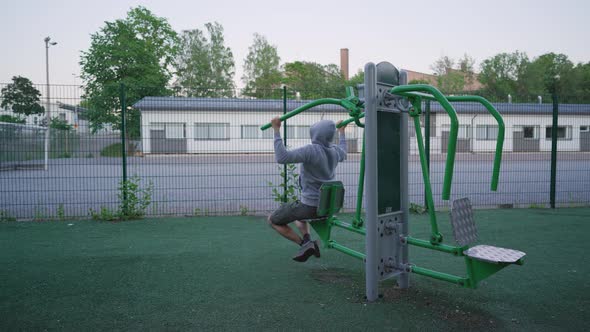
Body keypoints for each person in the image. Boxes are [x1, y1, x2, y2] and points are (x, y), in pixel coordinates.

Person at [267, 117, 348, 262]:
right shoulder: (335, 151)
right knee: (299, 218)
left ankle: (304, 244)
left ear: (315, 134)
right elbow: (344, 150)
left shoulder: (311, 150)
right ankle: (308, 239)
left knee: (273, 220)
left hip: (310, 206)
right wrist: (341, 133)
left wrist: (276, 130)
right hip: (327, 207)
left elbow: (282, 157)